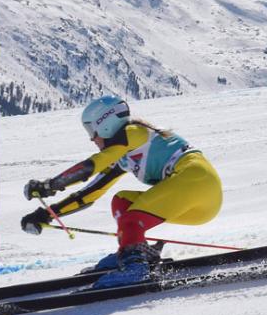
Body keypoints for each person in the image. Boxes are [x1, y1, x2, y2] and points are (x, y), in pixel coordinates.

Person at [20, 95, 223, 288]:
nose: (92, 139)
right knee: (121, 200)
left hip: (197, 180)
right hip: (198, 203)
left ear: (105, 124)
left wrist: (51, 185)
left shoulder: (133, 132)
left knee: (131, 219)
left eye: (92, 131)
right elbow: (90, 192)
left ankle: (135, 267)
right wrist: (47, 214)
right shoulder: (124, 153)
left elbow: (92, 166)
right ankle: (134, 252)